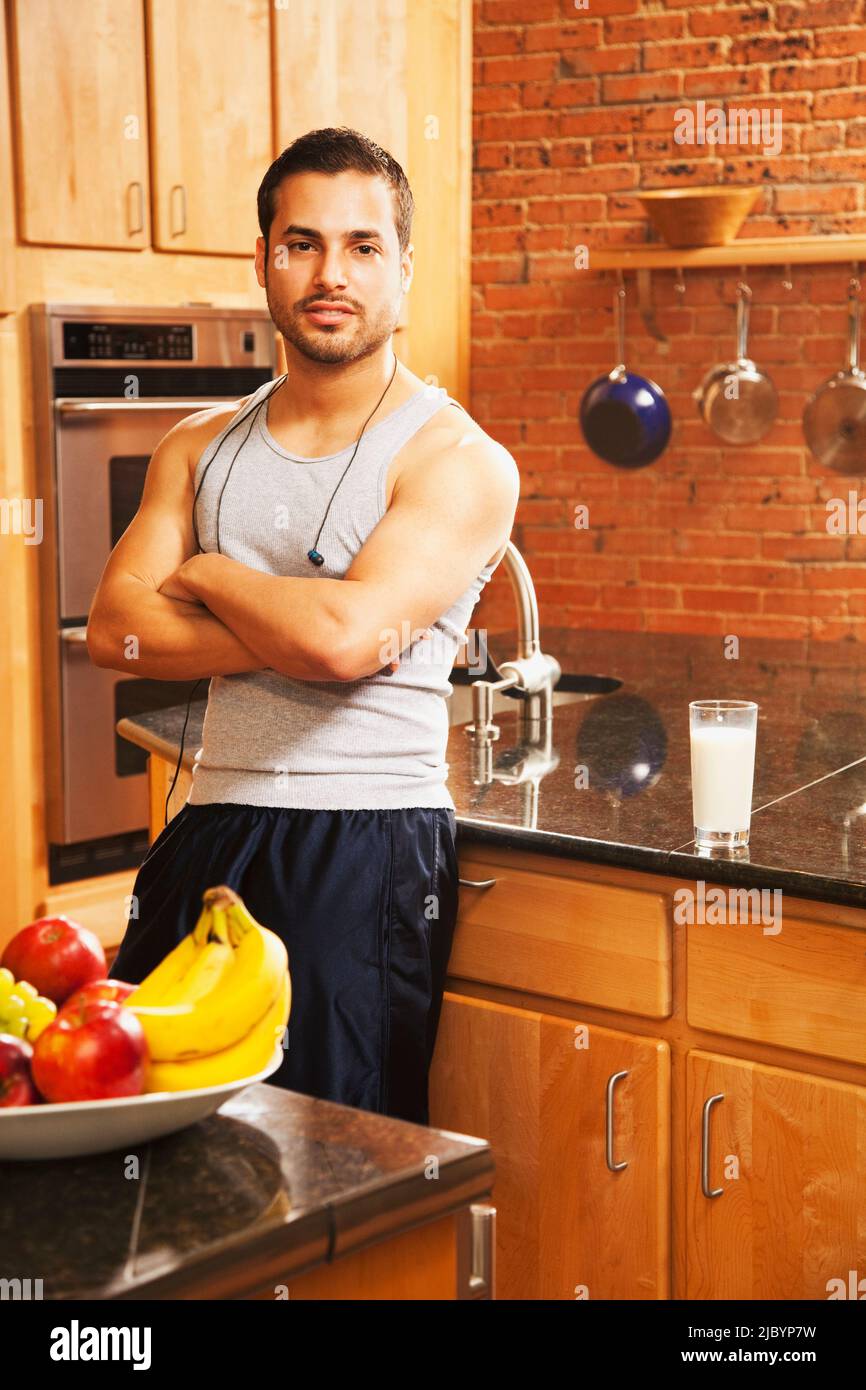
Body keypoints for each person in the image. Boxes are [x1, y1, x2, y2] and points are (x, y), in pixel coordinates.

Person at [87, 127, 519, 1125]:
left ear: (404, 270)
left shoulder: (457, 457)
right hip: (204, 831)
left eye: (363, 247)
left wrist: (204, 574)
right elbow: (118, 630)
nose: (331, 273)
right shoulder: (197, 445)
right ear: (264, 260)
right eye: (303, 242)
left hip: (362, 844)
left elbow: (341, 643)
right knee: (144, 1138)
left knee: (328, 1153)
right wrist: (322, 625)